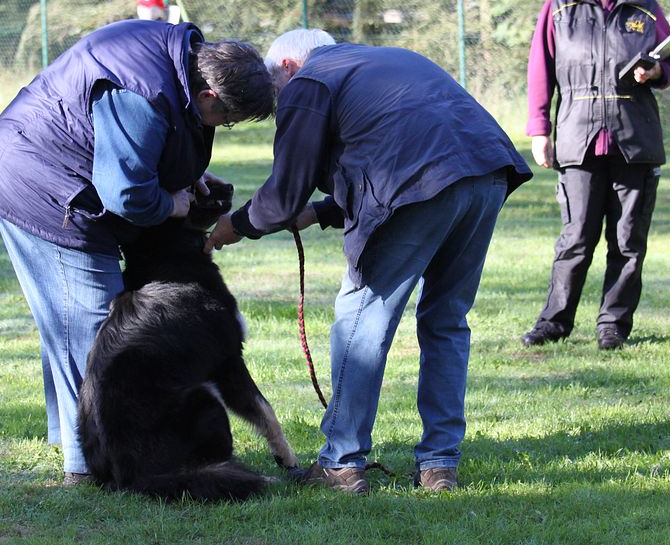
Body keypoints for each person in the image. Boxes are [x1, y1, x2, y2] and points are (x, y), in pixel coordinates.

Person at [204, 29, 532, 493]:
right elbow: (391, 145)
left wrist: (233, 226)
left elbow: (283, 195)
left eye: (273, 89)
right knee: (446, 321)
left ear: (287, 67)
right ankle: (440, 464)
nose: (275, 101)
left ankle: (341, 462)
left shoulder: (308, 81)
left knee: (361, 321)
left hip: (421, 185)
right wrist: (321, 212)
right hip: (487, 174)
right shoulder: (386, 59)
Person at [0, 19, 274, 486]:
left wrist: (186, 176)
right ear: (210, 94)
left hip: (57, 175)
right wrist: (170, 203)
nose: (223, 127)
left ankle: (90, 447)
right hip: (42, 188)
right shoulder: (142, 93)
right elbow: (126, 193)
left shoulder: (180, 64)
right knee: (93, 319)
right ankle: (90, 465)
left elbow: (150, 144)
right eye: (226, 119)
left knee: (73, 319)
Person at [522, 0, 670, 350]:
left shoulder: (646, 8)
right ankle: (553, 323)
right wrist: (539, 129)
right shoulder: (559, 7)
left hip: (634, 141)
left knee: (628, 242)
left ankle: (613, 326)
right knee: (575, 239)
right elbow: (541, 70)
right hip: (578, 141)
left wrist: (657, 72)